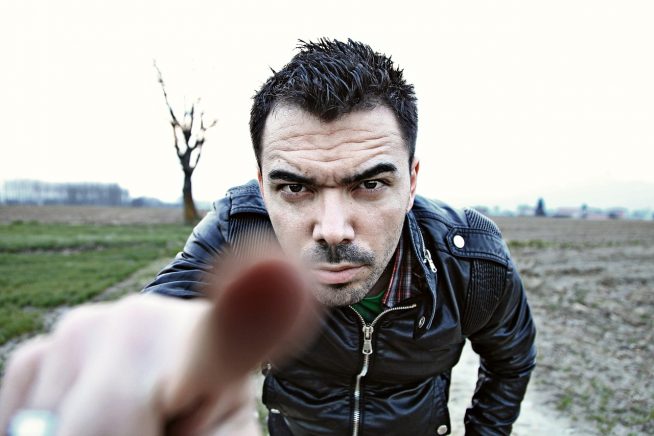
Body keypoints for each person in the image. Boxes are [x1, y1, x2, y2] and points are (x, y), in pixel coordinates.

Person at [0, 39, 536, 436]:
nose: (332, 229)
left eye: (370, 184)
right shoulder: (241, 230)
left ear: (412, 180)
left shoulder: (471, 261)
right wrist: (125, 362)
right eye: (296, 188)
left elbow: (510, 361)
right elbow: (161, 318)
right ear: (262, 186)